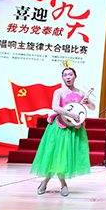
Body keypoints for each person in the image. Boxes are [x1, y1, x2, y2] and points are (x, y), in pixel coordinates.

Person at [31, 60, 95, 197]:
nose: (68, 77)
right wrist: (70, 114)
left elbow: (92, 108)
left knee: (64, 157)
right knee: (55, 155)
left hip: (73, 129)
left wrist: (88, 102)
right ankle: (60, 184)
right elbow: (55, 107)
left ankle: (49, 183)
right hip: (59, 128)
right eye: (65, 75)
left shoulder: (81, 92)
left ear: (75, 77)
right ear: (62, 78)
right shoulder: (59, 92)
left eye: (70, 74)